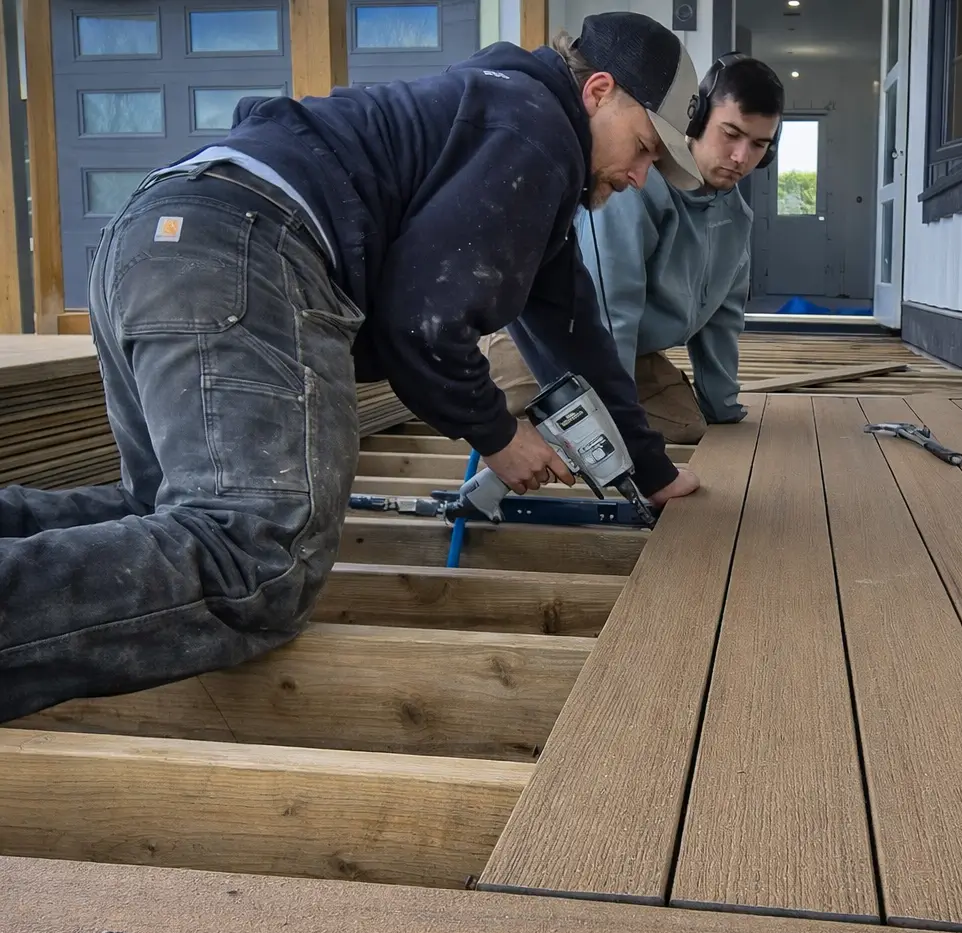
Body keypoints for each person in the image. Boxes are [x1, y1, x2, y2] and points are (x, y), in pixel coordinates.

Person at [0, 12, 703, 722]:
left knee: (160, 515)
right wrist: (498, 435)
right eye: (644, 147)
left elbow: (574, 333)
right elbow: (421, 323)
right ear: (598, 92)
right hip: (245, 250)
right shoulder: (538, 134)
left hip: (152, 239)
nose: (641, 177)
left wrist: (653, 472)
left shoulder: (505, 125)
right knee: (256, 555)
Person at [479, 51, 784, 443]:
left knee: (691, 426)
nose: (741, 157)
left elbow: (722, 321)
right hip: (543, 339)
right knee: (572, 443)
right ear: (697, 120)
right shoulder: (638, 188)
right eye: (731, 134)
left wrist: (722, 409)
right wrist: (624, 437)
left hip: (630, 352)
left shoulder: (737, 217)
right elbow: (611, 313)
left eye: (759, 145)